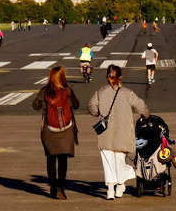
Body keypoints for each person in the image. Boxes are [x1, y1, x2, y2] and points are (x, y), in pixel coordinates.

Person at [88, 64, 149, 200]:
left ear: (107, 77)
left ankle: (110, 189)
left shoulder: (100, 91)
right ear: (120, 77)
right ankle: (120, 184)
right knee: (119, 161)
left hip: (105, 134)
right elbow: (141, 106)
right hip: (123, 133)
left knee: (108, 162)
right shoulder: (128, 93)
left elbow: (91, 106)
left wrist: (97, 112)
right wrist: (146, 115)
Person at [32, 66, 79, 200]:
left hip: (49, 129)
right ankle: (61, 188)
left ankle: (53, 187)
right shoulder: (68, 90)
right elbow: (76, 105)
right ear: (62, 77)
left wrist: (44, 104)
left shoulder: (45, 91)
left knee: (51, 159)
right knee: (63, 160)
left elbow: (35, 105)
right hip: (66, 128)